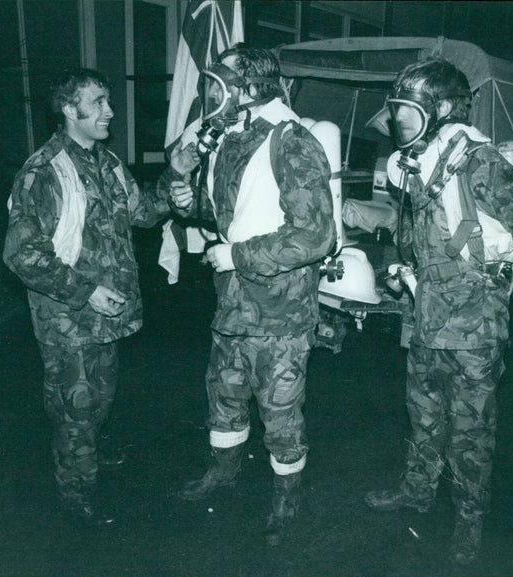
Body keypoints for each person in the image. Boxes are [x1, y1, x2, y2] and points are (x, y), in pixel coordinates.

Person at [364, 58, 513, 566]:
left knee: (471, 430)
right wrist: (400, 273)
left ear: (444, 110)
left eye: (409, 113)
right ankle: (416, 491)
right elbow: (411, 232)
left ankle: (469, 519)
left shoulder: (479, 162)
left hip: (475, 321)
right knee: (423, 413)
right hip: (427, 315)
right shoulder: (417, 163)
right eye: (397, 113)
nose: (398, 123)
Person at [3, 67, 192, 527]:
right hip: (68, 318)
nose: (110, 110)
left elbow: (142, 212)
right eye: (99, 102)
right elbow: (21, 255)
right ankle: (75, 494)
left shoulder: (106, 162)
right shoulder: (44, 172)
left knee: (99, 398)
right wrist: (85, 291)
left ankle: (87, 457)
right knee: (74, 408)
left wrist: (176, 180)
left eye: (108, 100)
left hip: (106, 314)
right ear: (71, 110)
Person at [167, 44, 336, 546]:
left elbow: (315, 236)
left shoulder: (292, 141)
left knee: (280, 409)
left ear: (251, 87)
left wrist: (237, 256)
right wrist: (188, 198)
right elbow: (235, 212)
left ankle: (288, 494)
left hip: (280, 310)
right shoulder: (231, 137)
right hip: (233, 303)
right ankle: (223, 471)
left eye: (224, 80)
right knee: (225, 394)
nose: (213, 89)